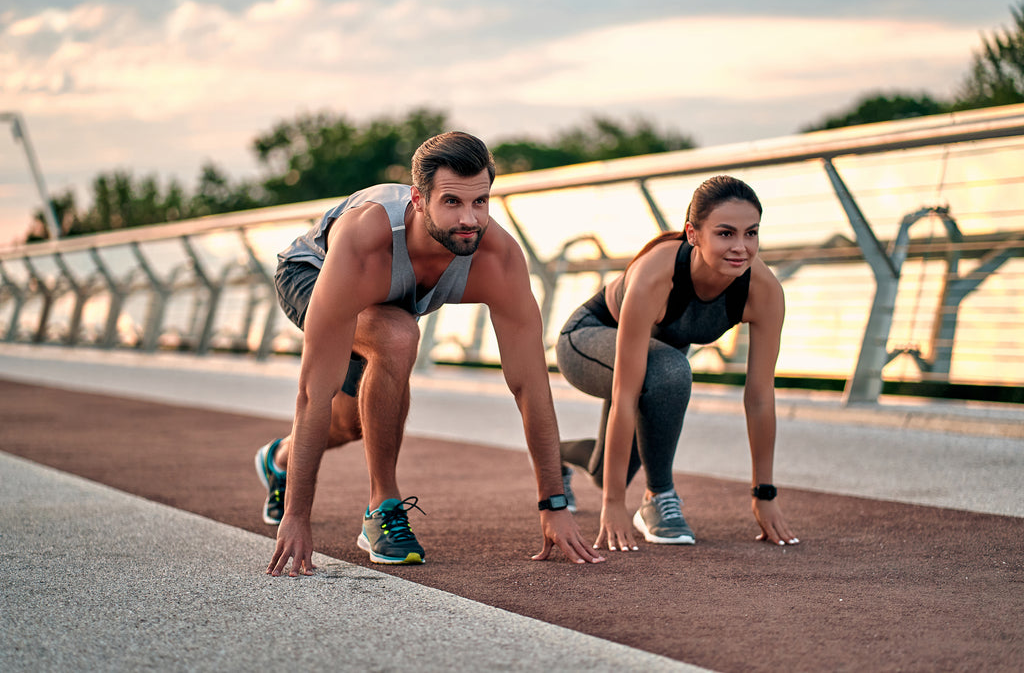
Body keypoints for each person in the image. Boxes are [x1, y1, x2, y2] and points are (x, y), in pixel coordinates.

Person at [255, 131, 604, 576]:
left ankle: (278, 459)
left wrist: (553, 504)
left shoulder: (497, 258)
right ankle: (382, 507)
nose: (470, 219)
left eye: (481, 202)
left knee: (352, 422)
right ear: (419, 201)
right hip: (315, 273)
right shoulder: (365, 242)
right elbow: (311, 393)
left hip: (389, 298)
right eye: (452, 202)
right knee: (397, 339)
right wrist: (298, 516)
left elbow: (530, 385)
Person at [555, 175, 799, 551]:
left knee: (606, 472)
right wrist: (614, 504)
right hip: (587, 340)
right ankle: (659, 497)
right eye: (725, 233)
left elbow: (760, 398)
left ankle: (555, 455)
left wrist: (764, 494)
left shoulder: (763, 291)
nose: (741, 247)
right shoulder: (655, 276)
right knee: (671, 371)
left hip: (652, 362)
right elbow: (625, 395)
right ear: (693, 234)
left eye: (751, 233)